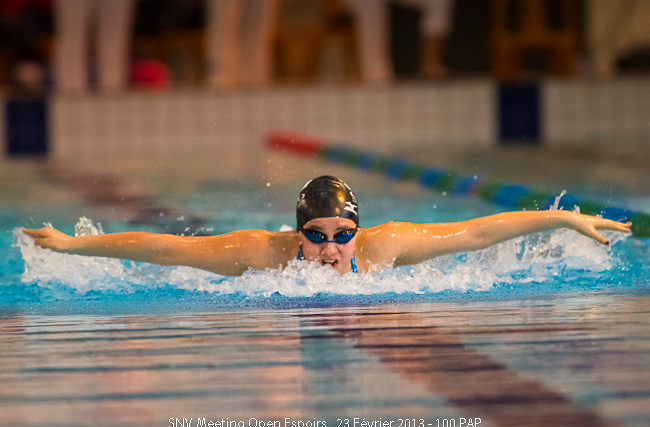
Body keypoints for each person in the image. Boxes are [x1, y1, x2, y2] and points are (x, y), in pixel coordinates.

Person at [23, 175, 631, 276]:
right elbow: (167, 250)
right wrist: (75, 245)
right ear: (298, 234)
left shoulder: (385, 246)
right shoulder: (262, 254)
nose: (330, 248)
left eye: (342, 235)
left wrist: (562, 217)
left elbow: (476, 231)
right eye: (316, 236)